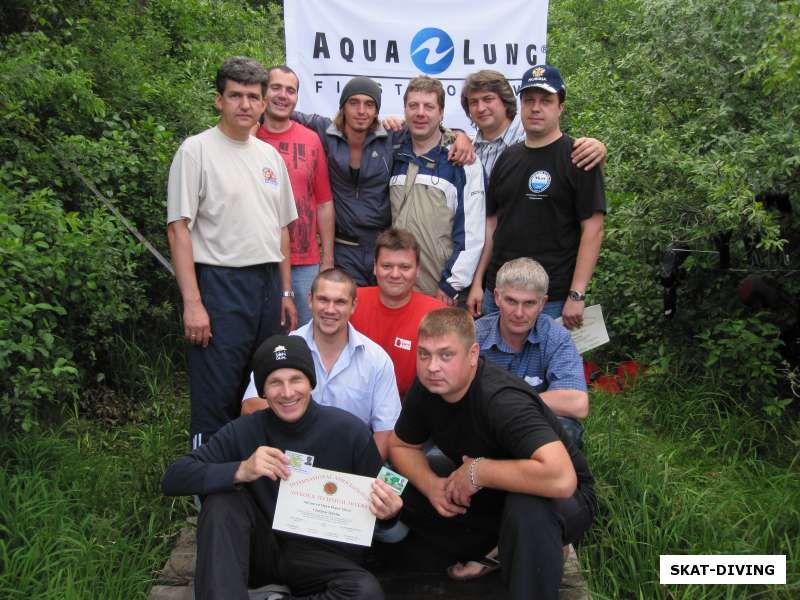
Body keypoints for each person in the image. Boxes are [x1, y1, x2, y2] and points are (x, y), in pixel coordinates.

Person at [162, 334, 402, 600]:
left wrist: (390, 510)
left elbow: (385, 489)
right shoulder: (243, 431)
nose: (287, 393)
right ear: (262, 390)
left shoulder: (349, 431)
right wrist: (241, 469)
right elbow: (173, 477)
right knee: (220, 501)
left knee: (365, 592)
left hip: (319, 557)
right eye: (275, 382)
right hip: (257, 551)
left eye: (296, 380)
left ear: (311, 382)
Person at [388, 308, 596, 600]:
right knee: (392, 479)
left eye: (446, 355)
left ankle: (527, 570)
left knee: (527, 508)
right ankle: (490, 551)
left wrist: (478, 471)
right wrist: (431, 486)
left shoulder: (502, 399)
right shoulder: (427, 387)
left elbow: (562, 479)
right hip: (490, 495)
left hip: (563, 499)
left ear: (473, 355)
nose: (432, 366)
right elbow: (401, 446)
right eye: (424, 354)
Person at [167, 57, 298, 448]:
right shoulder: (197, 151)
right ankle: (208, 489)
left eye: (253, 96)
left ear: (263, 103)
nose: (245, 104)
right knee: (218, 392)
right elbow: (178, 229)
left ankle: (256, 479)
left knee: (265, 386)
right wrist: (193, 302)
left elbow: (282, 230)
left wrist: (286, 291)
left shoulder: (269, 157)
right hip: (220, 284)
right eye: (235, 95)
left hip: (267, 285)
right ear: (218, 100)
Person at [293, 76, 474, 286]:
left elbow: (428, 127)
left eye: (369, 104)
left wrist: (460, 136)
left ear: (377, 110)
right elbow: (285, 112)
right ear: (343, 106)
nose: (361, 111)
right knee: (350, 311)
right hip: (343, 248)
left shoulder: (390, 136)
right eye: (354, 103)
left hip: (383, 248)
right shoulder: (326, 131)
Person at [467, 65, 606, 329]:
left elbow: (593, 228)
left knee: (546, 370)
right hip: (498, 293)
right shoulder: (508, 157)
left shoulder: (578, 156)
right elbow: (492, 224)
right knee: (493, 369)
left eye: (546, 101)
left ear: (560, 107)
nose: (536, 107)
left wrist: (577, 294)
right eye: (529, 100)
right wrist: (478, 283)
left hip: (550, 297)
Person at [242, 268, 400, 459]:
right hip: (287, 460)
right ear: (310, 300)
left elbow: (386, 432)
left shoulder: (376, 359)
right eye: (323, 299)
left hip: (350, 463)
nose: (330, 310)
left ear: (353, 306)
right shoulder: (281, 348)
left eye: (340, 302)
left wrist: (362, 476)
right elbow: (250, 407)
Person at [389, 76, 485, 303]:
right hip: (396, 286)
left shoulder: (463, 161)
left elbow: (472, 232)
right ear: (405, 109)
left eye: (429, 107)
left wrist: (451, 284)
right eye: (413, 106)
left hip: (441, 291)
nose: (420, 113)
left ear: (441, 113)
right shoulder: (391, 151)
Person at [475, 258, 588, 446]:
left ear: (543, 303)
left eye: (529, 303)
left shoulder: (557, 337)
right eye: (511, 301)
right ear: (497, 297)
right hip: (482, 423)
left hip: (532, 425)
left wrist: (507, 400)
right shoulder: (475, 335)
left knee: (567, 430)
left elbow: (578, 403)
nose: (519, 313)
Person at [255, 65, 335, 326]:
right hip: (258, 259)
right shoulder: (249, 139)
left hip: (304, 261)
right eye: (276, 87)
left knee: (304, 337)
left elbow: (323, 203)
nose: (283, 95)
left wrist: (327, 261)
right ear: (264, 92)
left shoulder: (311, 140)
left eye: (290, 90)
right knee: (262, 335)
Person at [460, 68, 607, 181]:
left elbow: (580, 178)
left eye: (488, 99)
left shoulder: (535, 137)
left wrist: (598, 150)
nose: (480, 108)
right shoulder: (466, 147)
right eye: (473, 102)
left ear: (505, 101)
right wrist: (459, 136)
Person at [349, 228, 444, 399]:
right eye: (386, 266)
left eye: (405, 267)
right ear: (374, 268)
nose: (395, 274)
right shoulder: (351, 303)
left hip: (411, 408)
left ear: (418, 270)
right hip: (354, 402)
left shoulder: (436, 314)